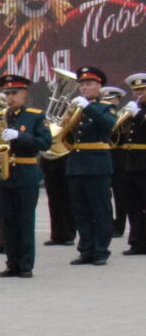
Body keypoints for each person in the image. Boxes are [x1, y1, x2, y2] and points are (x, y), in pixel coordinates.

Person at [0, 71, 52, 278]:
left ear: (24, 93)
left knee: (24, 220)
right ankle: (11, 263)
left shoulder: (35, 115)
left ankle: (25, 265)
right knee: (7, 220)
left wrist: (21, 136)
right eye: (7, 93)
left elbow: (44, 143)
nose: (10, 97)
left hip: (25, 172)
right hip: (4, 174)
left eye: (14, 93)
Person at [63, 65, 118, 265]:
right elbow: (65, 132)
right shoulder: (74, 107)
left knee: (99, 209)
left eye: (89, 84)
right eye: (82, 85)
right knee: (80, 210)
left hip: (96, 165)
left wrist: (88, 107)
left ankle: (101, 249)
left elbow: (108, 125)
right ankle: (86, 249)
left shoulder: (105, 106)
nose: (84, 88)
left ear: (99, 86)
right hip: (76, 164)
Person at [119, 74, 146, 255]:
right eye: (135, 90)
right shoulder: (132, 109)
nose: (138, 93)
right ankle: (137, 242)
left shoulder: (138, 112)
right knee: (133, 204)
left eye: (142, 90)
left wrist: (138, 115)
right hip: (131, 161)